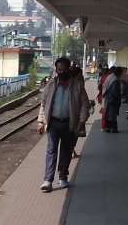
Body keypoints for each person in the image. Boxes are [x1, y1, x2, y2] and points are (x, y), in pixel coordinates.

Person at [36, 56, 89, 192]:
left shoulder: (77, 86)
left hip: (69, 123)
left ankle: (63, 177)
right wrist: (41, 122)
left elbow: (84, 104)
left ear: (69, 69)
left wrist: (82, 120)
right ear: (56, 70)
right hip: (53, 123)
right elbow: (43, 104)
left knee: (66, 151)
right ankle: (48, 180)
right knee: (51, 150)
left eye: (65, 69)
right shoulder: (50, 86)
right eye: (59, 69)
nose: (62, 72)